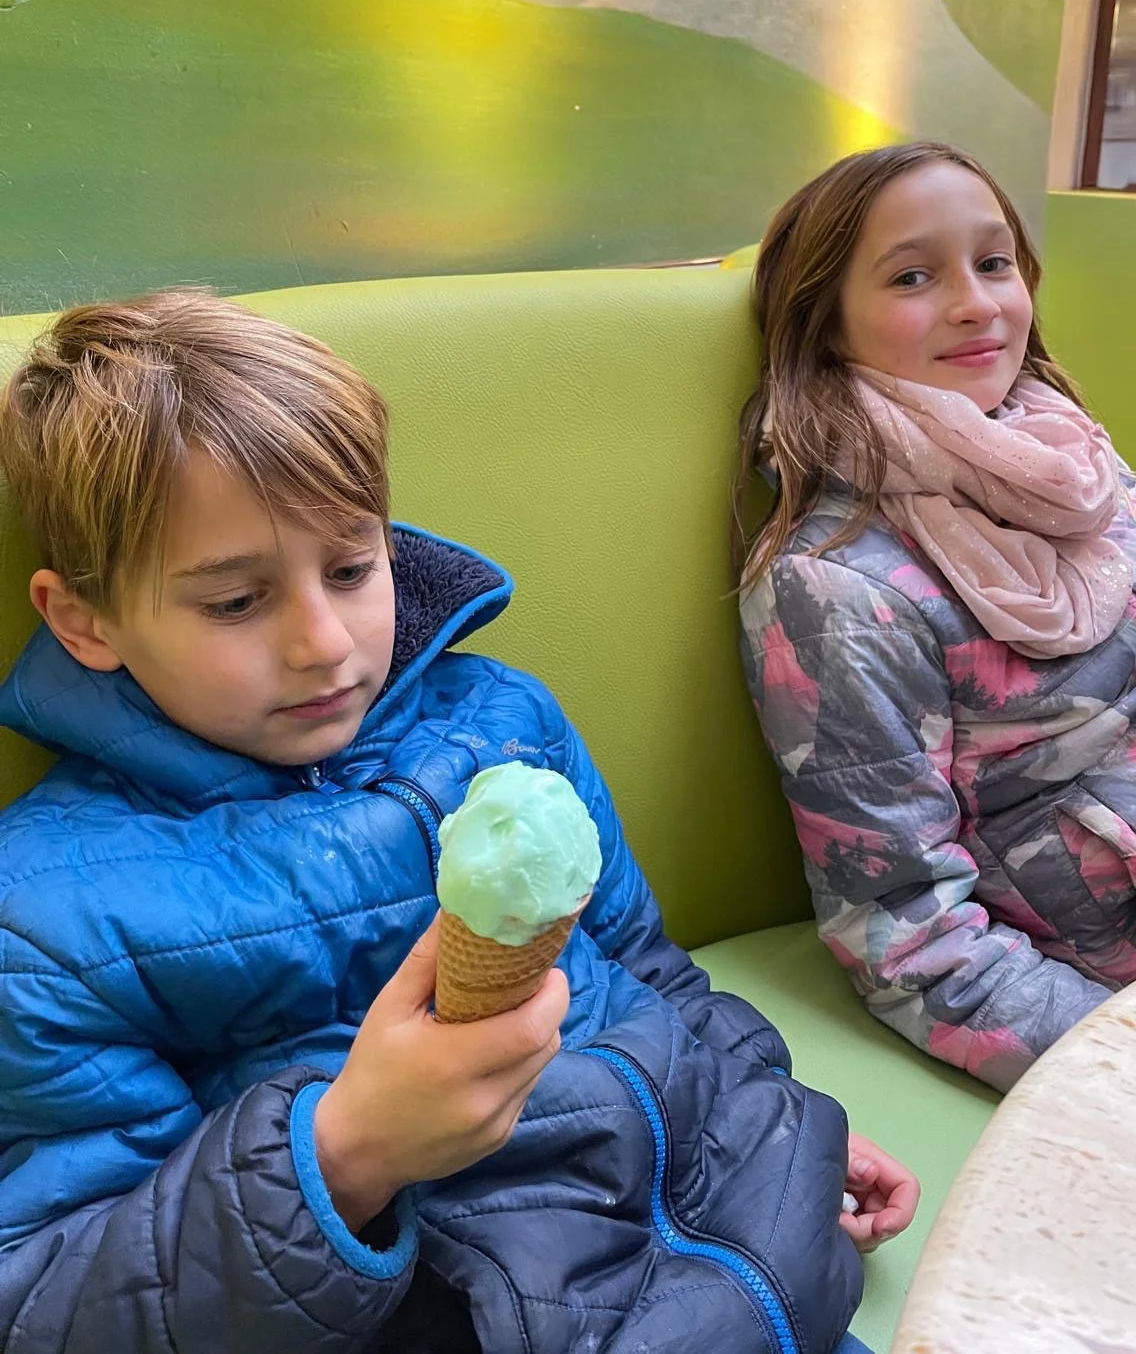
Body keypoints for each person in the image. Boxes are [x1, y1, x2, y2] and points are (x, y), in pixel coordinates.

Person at [0, 290, 914, 1353]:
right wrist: (341, 1157)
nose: (324, 644)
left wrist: (781, 1127)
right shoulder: (47, 919)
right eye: (235, 602)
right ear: (83, 617)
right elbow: (51, 1296)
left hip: (768, 1268)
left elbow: (641, 965)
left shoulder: (503, 721)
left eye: (350, 568)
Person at [736, 140, 1136, 1095]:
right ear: (825, 324)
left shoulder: (1061, 452)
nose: (979, 303)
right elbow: (906, 933)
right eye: (914, 275)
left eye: (994, 263)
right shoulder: (836, 593)